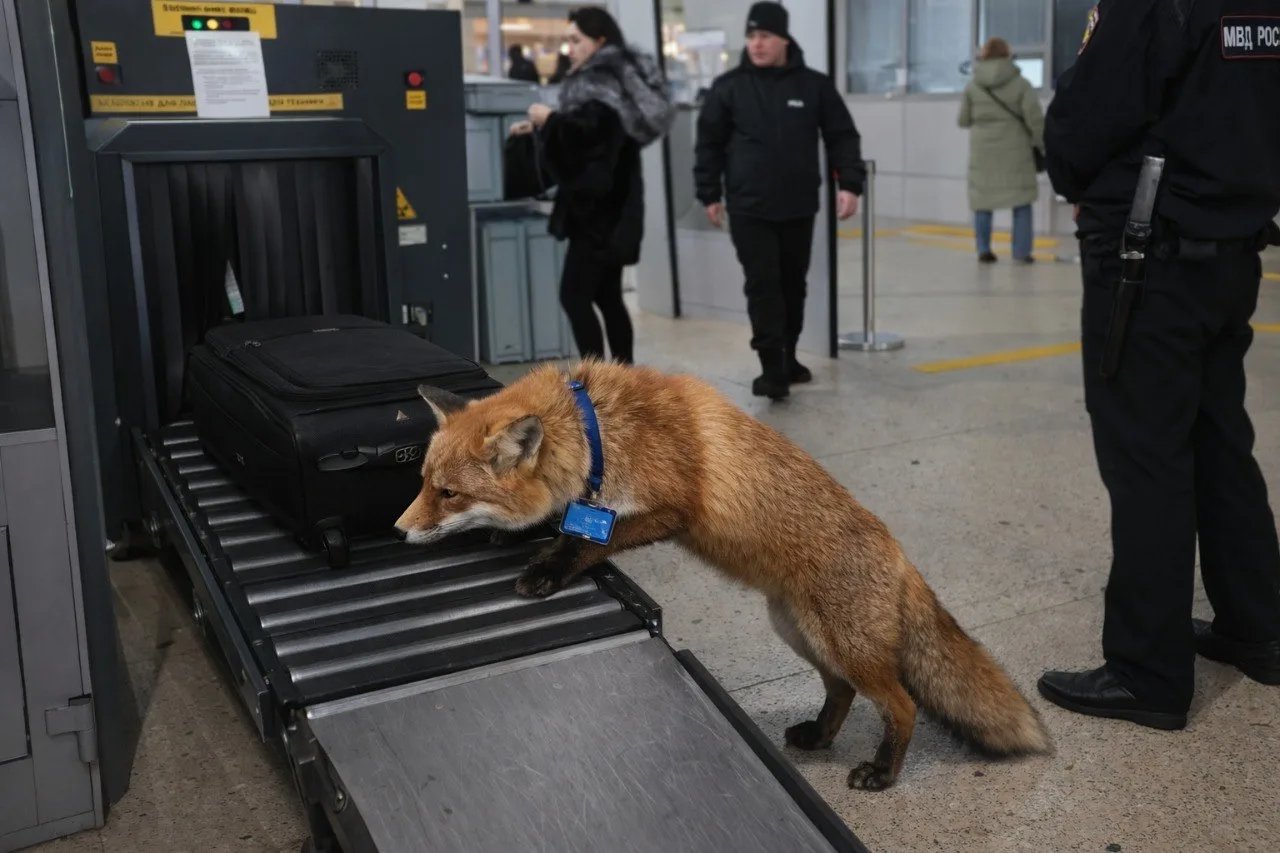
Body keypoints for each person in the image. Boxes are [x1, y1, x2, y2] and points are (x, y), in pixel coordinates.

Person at [1038, 0, 1280, 730]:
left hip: (1148, 262)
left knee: (1146, 457)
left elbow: (1087, 118)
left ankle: (1147, 671)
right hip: (1232, 250)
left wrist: (1066, 163)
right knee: (1219, 441)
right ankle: (1257, 628)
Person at [693, 1, 865, 400]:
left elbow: (841, 136)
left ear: (784, 39)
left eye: (765, 36)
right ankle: (772, 368)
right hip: (749, 207)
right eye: (751, 36)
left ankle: (788, 356)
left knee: (793, 285)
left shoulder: (814, 85)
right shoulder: (729, 87)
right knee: (763, 285)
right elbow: (709, 144)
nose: (757, 44)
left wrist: (850, 183)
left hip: (798, 205)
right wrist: (709, 193)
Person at [512, 7, 674, 364]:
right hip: (613, 210)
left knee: (574, 296)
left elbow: (588, 144)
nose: (569, 48)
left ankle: (596, 381)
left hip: (598, 215)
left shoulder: (600, 85)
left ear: (599, 42)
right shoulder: (615, 82)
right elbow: (592, 137)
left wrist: (549, 119)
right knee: (607, 296)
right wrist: (543, 126)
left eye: (576, 40)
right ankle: (623, 377)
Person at [958, 37, 1044, 264]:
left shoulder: (973, 86)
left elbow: (963, 120)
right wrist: (1041, 146)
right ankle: (1021, 252)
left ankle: (984, 250)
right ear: (1007, 55)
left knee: (982, 201)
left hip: (983, 154)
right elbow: (1035, 120)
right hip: (1016, 152)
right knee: (1022, 200)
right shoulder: (1021, 84)